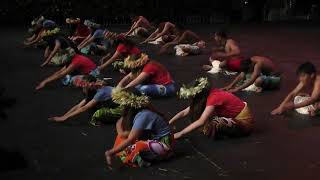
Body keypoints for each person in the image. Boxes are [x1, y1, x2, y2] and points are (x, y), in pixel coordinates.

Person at [105, 88, 174, 168]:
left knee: (138, 145)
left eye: (123, 103)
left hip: (163, 143)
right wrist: (121, 128)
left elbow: (130, 138)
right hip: (151, 138)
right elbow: (123, 133)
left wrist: (110, 152)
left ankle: (163, 154)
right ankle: (132, 154)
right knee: (121, 138)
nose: (121, 106)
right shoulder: (137, 114)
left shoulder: (143, 115)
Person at [170, 77, 254, 140]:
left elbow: (201, 121)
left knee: (213, 124)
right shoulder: (207, 96)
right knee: (203, 116)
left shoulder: (213, 97)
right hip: (234, 116)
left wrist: (180, 134)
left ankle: (231, 133)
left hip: (244, 122)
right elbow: (185, 112)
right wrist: (169, 123)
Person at [48, 75, 122, 126]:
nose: (85, 86)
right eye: (84, 85)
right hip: (112, 102)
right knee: (93, 106)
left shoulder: (100, 92)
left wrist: (66, 118)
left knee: (98, 114)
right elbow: (79, 105)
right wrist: (64, 116)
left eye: (87, 84)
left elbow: (84, 107)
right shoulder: (93, 89)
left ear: (93, 82)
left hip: (121, 106)